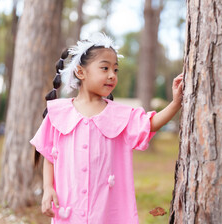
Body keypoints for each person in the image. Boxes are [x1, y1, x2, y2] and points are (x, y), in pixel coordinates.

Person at [30, 33, 183, 224]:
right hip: (70, 208)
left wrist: (176, 103)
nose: (112, 75)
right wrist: (48, 188)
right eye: (105, 68)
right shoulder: (58, 113)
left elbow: (149, 124)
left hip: (108, 211)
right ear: (80, 72)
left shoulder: (120, 115)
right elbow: (49, 156)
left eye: (115, 70)